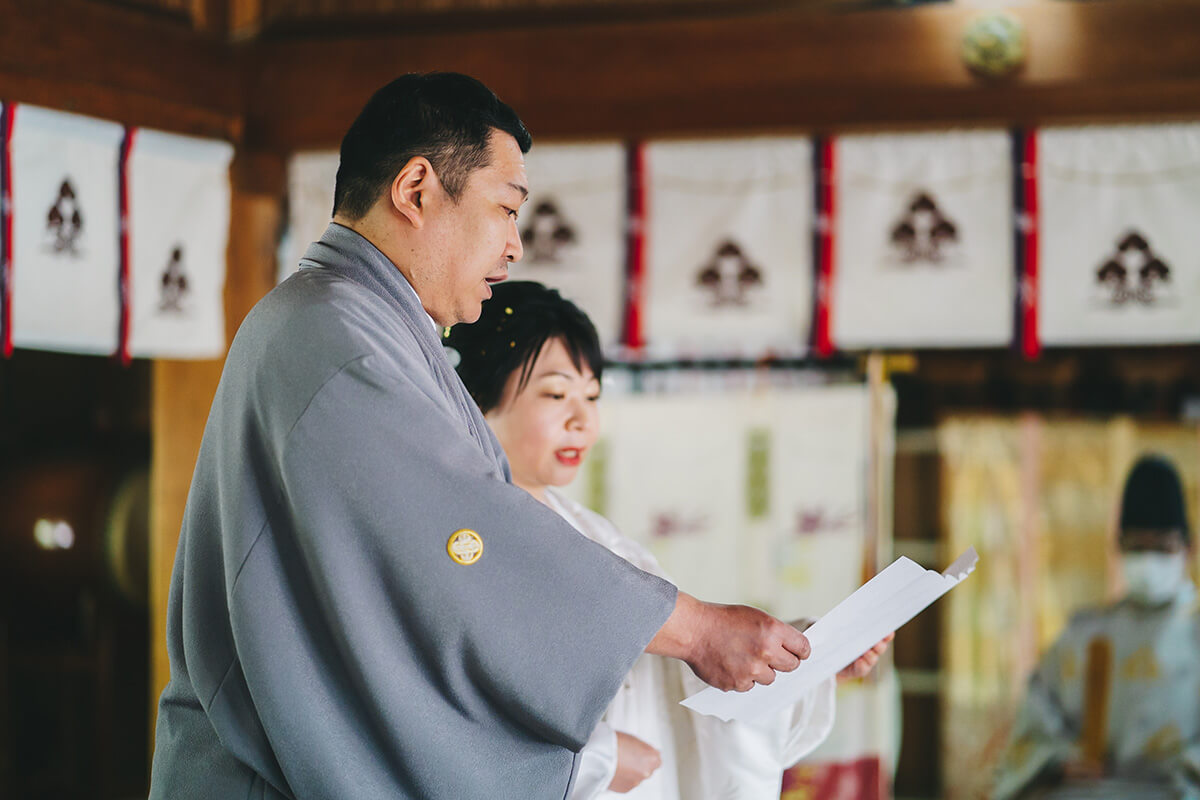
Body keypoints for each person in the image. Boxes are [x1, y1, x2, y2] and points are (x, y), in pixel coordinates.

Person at [148, 73, 814, 800]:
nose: (515, 245)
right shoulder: (337, 335)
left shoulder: (357, 324)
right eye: (505, 208)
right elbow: (470, 543)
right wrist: (696, 631)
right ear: (416, 189)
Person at [447, 280, 892, 799]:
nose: (582, 418)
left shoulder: (593, 534)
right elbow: (453, 706)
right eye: (555, 393)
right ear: (476, 397)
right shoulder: (463, 538)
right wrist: (598, 759)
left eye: (591, 395)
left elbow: (674, 673)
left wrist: (791, 658)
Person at [994, 454, 1200, 800]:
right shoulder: (1085, 635)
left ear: (1188, 548)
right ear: (1118, 547)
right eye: (1137, 548)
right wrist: (1058, 760)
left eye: (1161, 547)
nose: (1148, 562)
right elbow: (1035, 721)